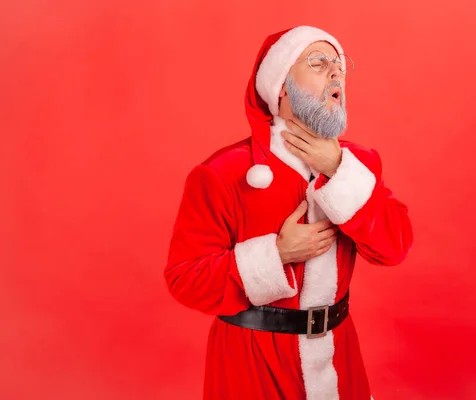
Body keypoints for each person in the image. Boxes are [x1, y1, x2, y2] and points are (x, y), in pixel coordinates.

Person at [164, 25, 414, 400]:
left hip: (338, 356)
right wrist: (276, 255)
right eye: (318, 62)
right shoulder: (223, 173)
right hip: (251, 360)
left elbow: (394, 247)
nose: (336, 72)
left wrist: (338, 169)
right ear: (280, 84)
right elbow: (185, 279)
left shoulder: (358, 165)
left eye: (340, 66)